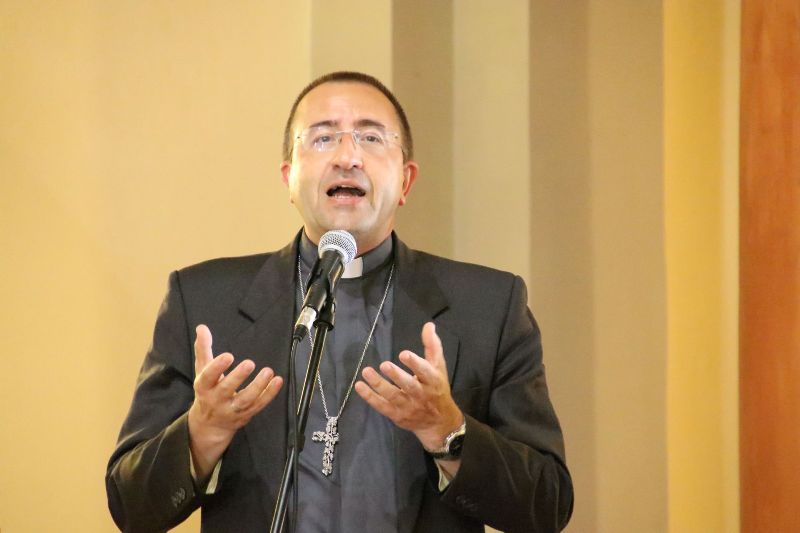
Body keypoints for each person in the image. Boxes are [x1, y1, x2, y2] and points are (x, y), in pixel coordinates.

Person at [106, 71, 573, 533]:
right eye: (323, 138)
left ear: (406, 181)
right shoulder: (203, 300)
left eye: (371, 137)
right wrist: (201, 433)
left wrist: (448, 431)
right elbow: (131, 506)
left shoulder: (488, 307)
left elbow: (547, 505)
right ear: (289, 178)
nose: (348, 157)